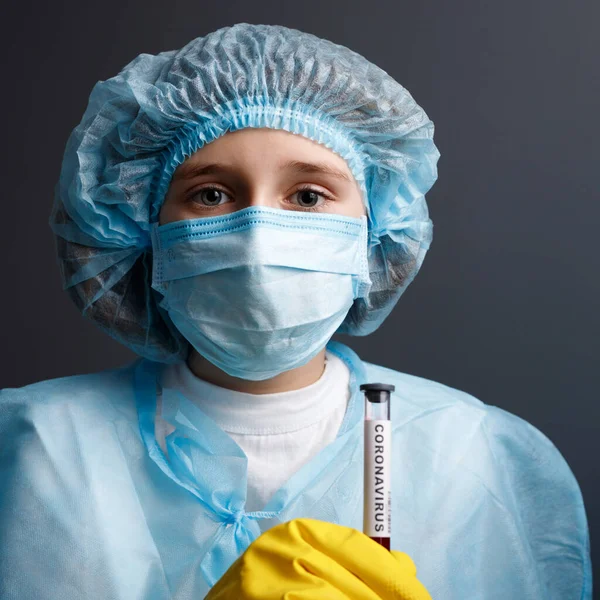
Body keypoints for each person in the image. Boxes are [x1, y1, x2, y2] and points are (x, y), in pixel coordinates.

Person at [0, 23, 592, 599]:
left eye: (308, 196)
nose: (258, 235)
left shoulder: (484, 460)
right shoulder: (30, 451)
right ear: (142, 234)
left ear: (375, 231)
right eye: (211, 194)